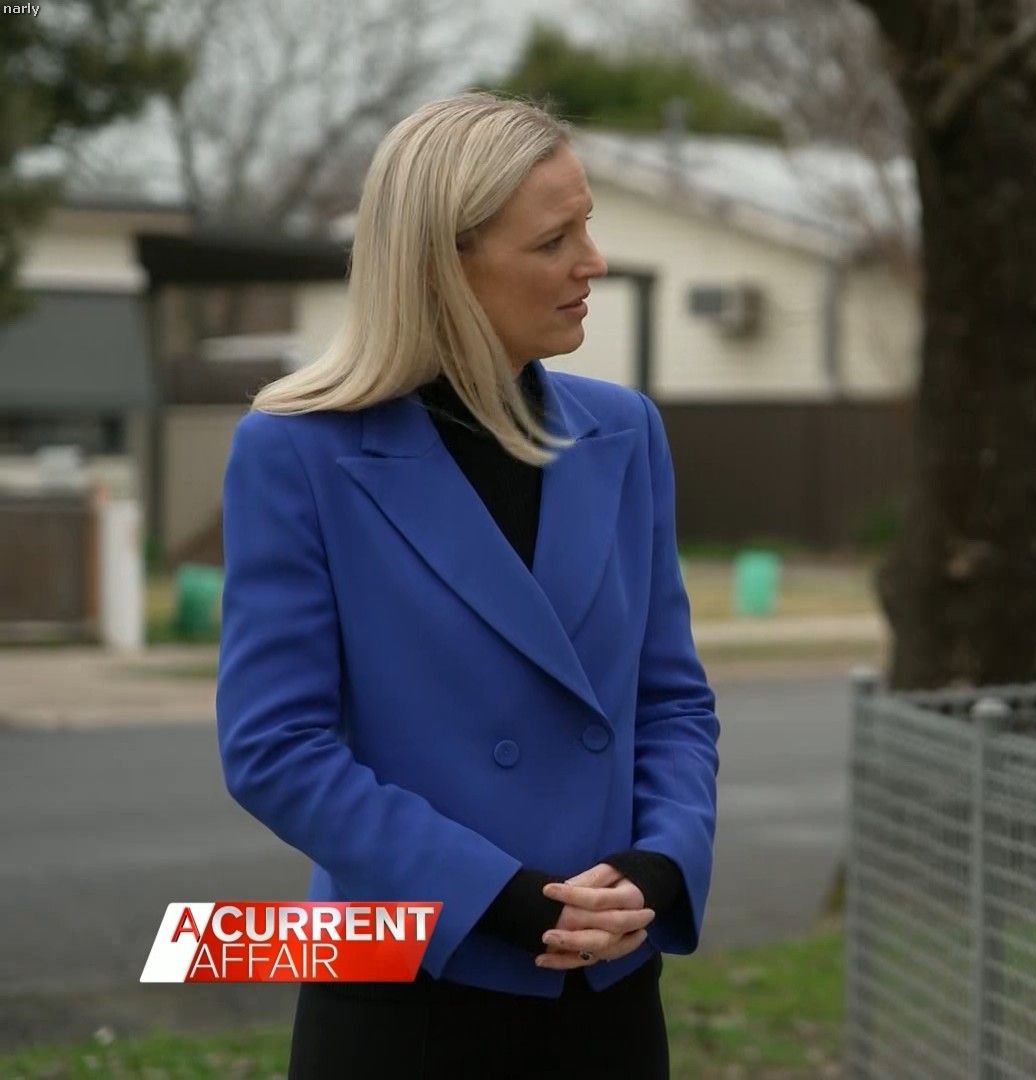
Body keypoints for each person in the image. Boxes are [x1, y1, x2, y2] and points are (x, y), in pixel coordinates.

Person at [215, 91, 719, 1078]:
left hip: (606, 990)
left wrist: (658, 868)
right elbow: (275, 749)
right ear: (444, 264)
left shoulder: (625, 432)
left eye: (588, 226)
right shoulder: (295, 451)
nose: (592, 262)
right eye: (554, 240)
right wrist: (501, 897)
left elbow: (671, 702)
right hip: (398, 990)